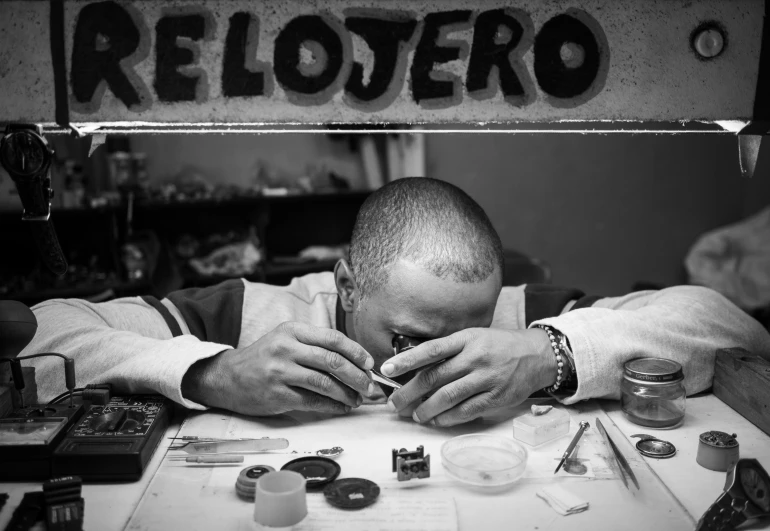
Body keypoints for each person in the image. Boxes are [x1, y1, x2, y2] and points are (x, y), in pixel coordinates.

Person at [21, 178, 770, 427]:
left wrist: (545, 352)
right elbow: (38, 332)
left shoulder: (519, 316)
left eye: (465, 332)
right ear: (346, 286)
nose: (434, 358)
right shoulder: (250, 313)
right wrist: (213, 373)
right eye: (407, 333)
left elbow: (730, 325)